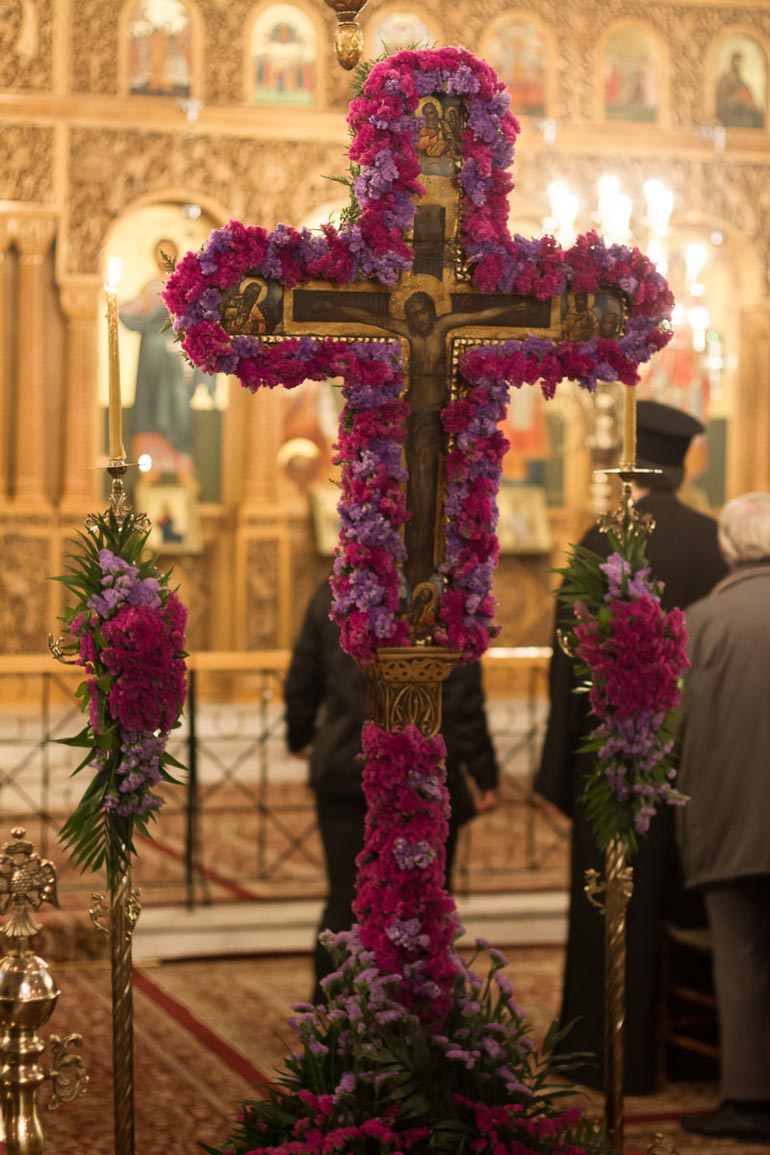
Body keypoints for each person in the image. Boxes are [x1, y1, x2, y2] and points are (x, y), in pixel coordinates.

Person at [534, 399, 728, 1094]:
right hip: (697, 767)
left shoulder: (602, 539)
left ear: (631, 460)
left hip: (611, 766)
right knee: (690, 906)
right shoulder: (716, 542)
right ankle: (701, 1053)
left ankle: (602, 1048)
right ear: (683, 464)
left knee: (610, 904)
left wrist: (559, 773)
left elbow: (570, 667)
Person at [284, 579, 500, 1001]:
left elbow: (303, 677)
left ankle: (334, 1015)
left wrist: (301, 735)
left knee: (348, 898)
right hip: (425, 775)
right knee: (424, 899)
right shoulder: (443, 596)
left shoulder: (332, 594)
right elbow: (462, 695)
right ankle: (414, 1013)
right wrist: (483, 771)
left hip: (349, 769)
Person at [676, 492, 770, 1142]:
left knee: (742, 960)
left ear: (728, 548)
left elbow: (670, 728)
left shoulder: (702, 621)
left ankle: (748, 1098)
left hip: (732, 819)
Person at [120, 238, 213, 481]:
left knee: (178, 405)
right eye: (160, 253)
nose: (164, 258)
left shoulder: (185, 286)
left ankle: (182, 465)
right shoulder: (150, 286)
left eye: (168, 253)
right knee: (150, 405)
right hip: (151, 356)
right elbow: (134, 312)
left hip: (175, 356)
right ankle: (151, 469)